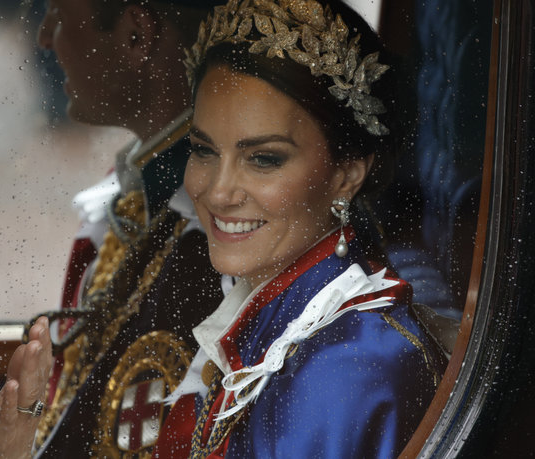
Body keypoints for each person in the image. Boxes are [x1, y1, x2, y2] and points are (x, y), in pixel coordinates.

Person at [148, 0, 445, 457]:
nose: (218, 192)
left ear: (347, 173)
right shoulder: (281, 323)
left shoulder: (348, 365)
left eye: (264, 159)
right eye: (203, 150)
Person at [0, 1, 227, 458]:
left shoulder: (212, 245)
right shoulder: (141, 203)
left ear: (136, 34)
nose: (44, 38)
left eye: (58, 14)